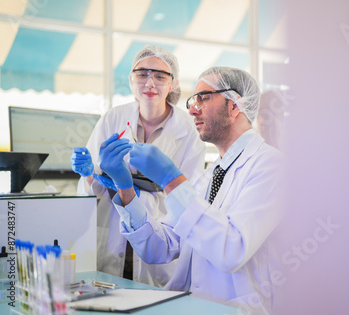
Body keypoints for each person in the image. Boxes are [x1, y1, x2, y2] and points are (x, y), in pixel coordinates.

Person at [97, 67, 283, 314]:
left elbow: (232, 250)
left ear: (235, 105)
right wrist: (124, 186)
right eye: (192, 100)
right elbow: (158, 247)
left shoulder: (271, 166)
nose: (193, 109)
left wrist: (171, 180)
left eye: (203, 98)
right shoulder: (210, 175)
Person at [70, 45, 206, 288]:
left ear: (173, 84)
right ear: (131, 80)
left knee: (153, 299)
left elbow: (191, 195)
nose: (150, 83)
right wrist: (88, 173)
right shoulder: (113, 118)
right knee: (109, 293)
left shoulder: (189, 130)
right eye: (142, 74)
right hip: (111, 225)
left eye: (160, 76)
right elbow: (90, 190)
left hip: (162, 225)